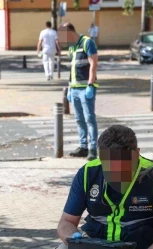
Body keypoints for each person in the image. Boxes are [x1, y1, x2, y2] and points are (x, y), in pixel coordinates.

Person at [58, 23, 99, 161]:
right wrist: (69, 87)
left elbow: (93, 63)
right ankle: (83, 146)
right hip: (74, 88)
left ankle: (93, 148)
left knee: (89, 118)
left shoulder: (87, 42)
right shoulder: (72, 47)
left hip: (85, 88)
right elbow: (72, 68)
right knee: (79, 119)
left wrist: (91, 84)